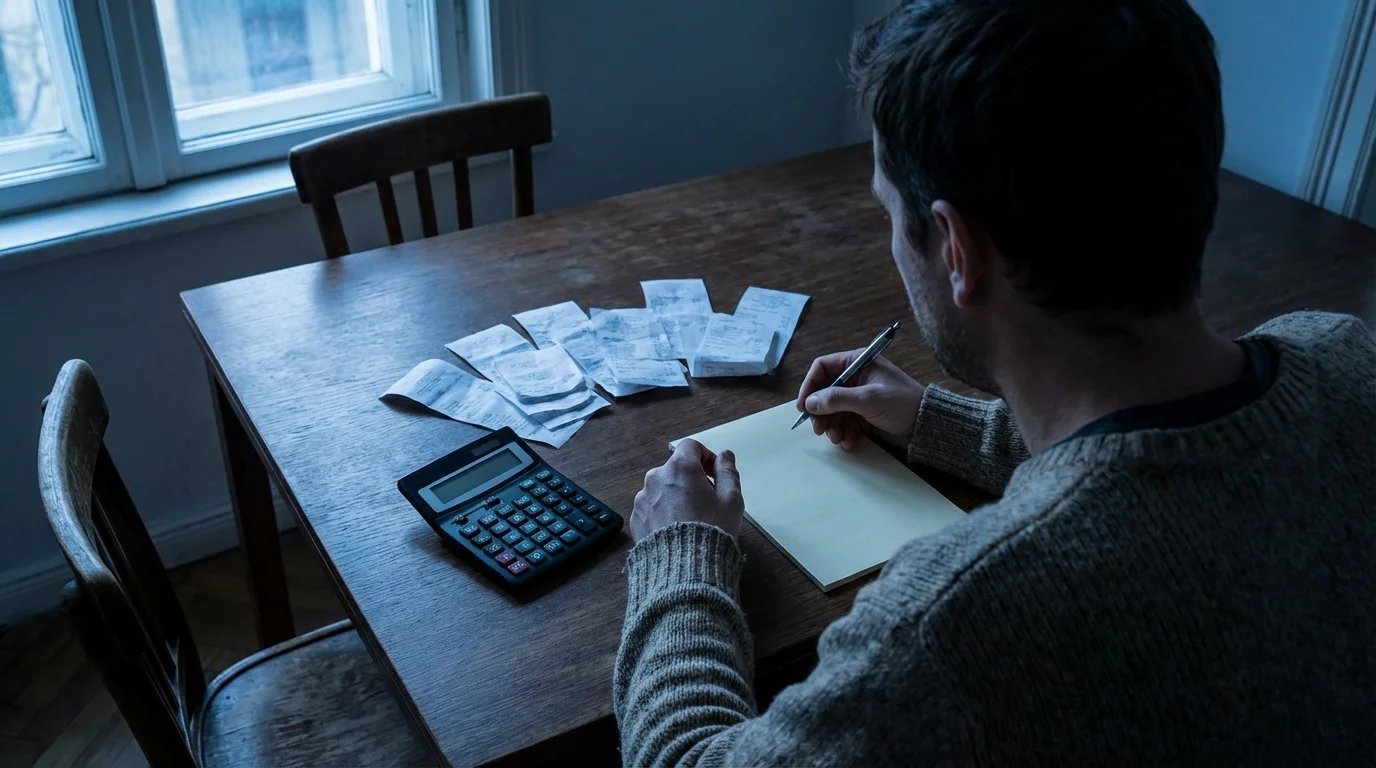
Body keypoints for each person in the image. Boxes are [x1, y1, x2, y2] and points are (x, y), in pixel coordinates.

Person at [613, 0, 1376, 764]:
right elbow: (1174, 466)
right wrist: (941, 424)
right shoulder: (1347, 358)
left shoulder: (955, 627)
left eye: (888, 210)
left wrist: (681, 557)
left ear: (955, 248)